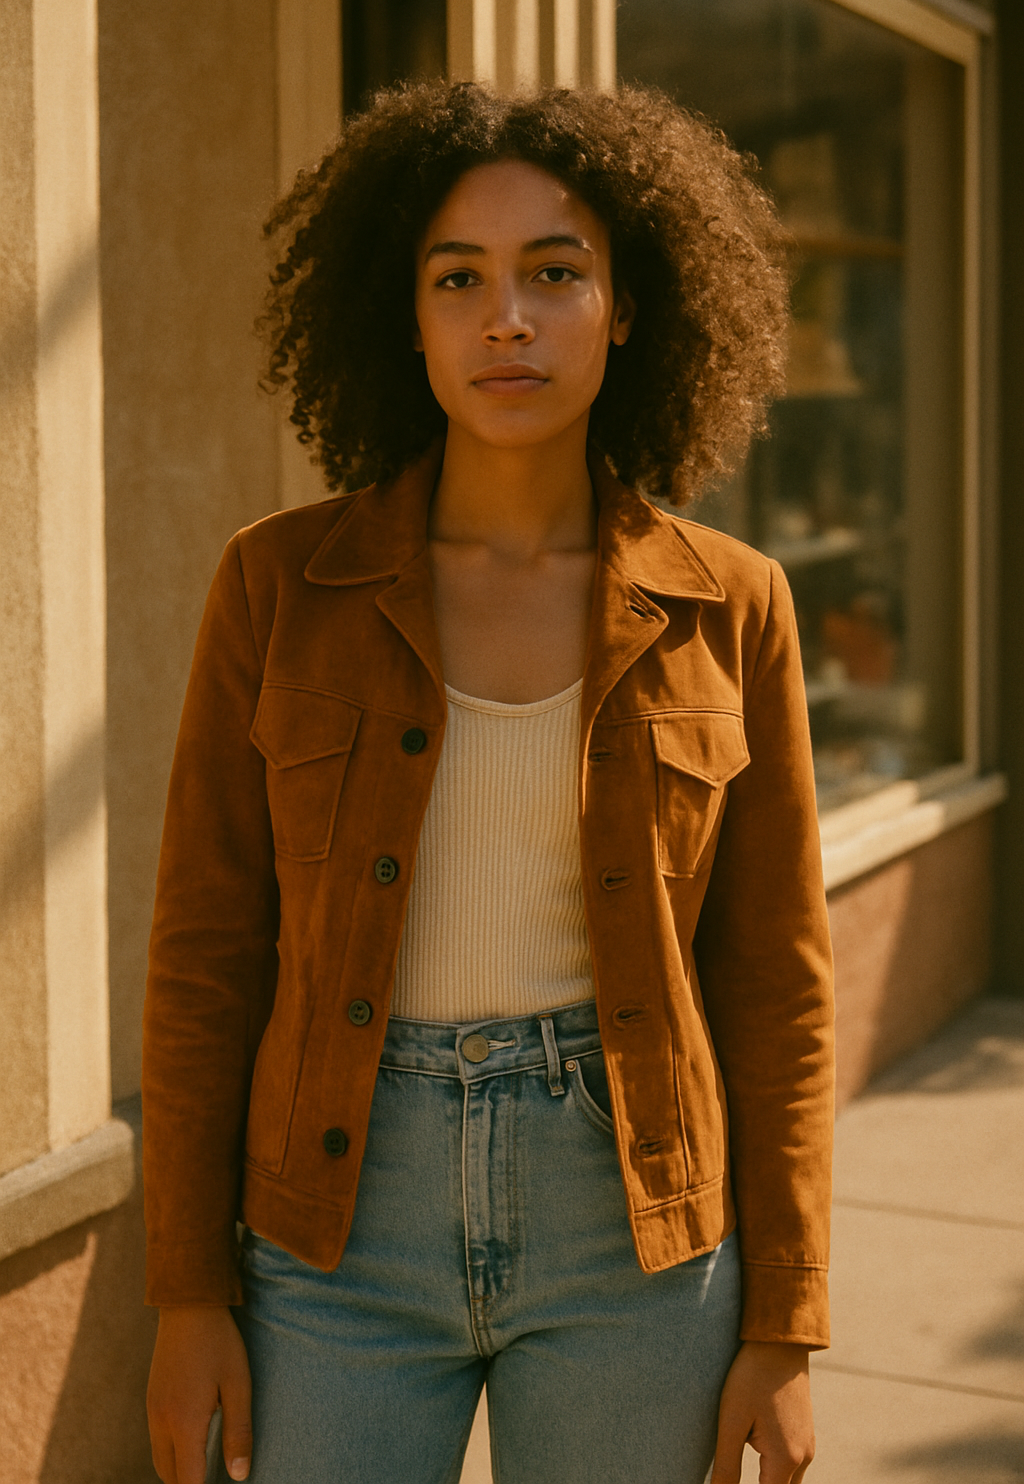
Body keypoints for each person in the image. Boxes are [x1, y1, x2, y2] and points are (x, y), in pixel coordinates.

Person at [143, 81, 834, 1484]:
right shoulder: (278, 586)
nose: (505, 318)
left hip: (633, 1228)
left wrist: (788, 1323)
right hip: (335, 1225)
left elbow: (776, 981)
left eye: (554, 273)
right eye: (459, 277)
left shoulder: (732, 604)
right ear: (406, 315)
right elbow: (206, 959)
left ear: (628, 306)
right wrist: (184, 1296)